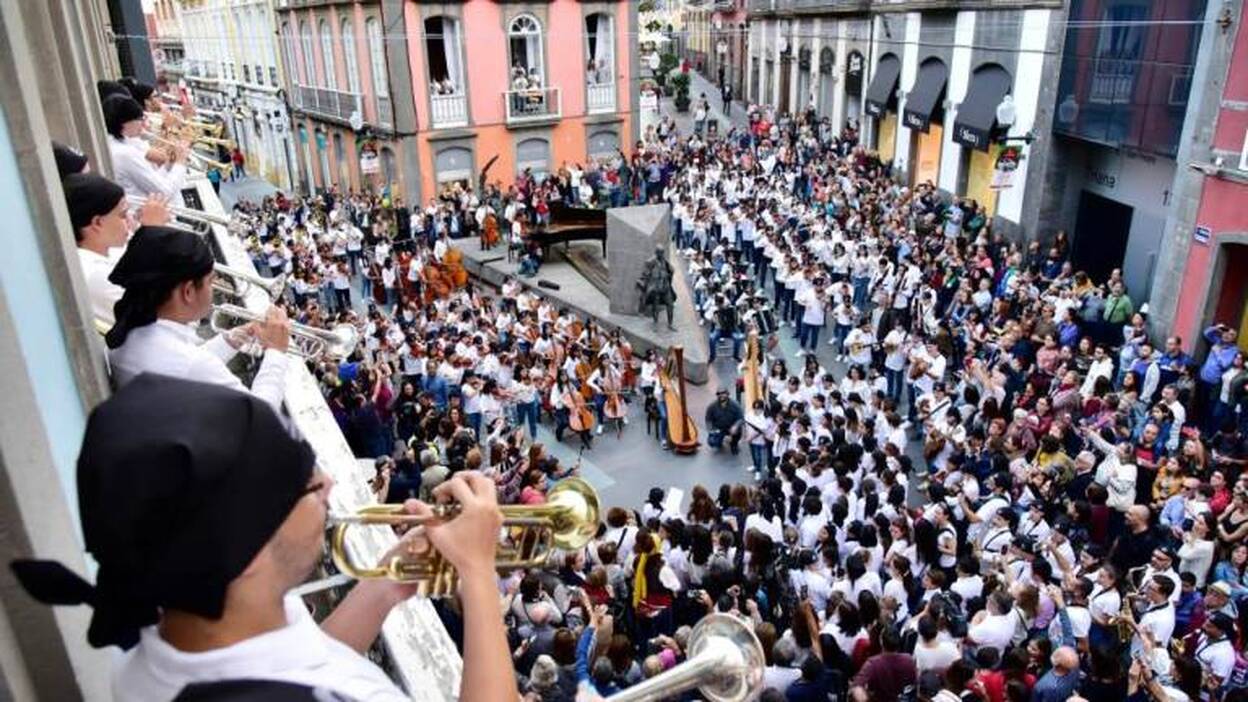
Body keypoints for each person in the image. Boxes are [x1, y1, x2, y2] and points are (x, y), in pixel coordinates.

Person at [11, 376, 512, 701]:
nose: (328, 483)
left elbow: (305, 659)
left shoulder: (175, 637)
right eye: (305, 484)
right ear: (244, 549)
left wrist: (385, 586)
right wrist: (477, 573)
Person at [104, 226, 291, 415]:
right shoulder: (190, 363)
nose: (215, 288)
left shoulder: (133, 331)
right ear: (188, 292)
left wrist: (229, 341)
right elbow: (262, 416)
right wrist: (276, 351)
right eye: (210, 282)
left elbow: (182, 368)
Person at [63, 172, 169, 325]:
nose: (130, 220)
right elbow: (167, 314)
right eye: (123, 215)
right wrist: (154, 234)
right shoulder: (95, 274)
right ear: (97, 223)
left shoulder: (110, 250)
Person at [102, 93, 187, 202]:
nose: (142, 124)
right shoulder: (125, 154)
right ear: (125, 123)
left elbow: (155, 181)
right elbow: (164, 193)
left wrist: (169, 164)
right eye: (139, 118)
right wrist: (180, 162)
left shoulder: (122, 146)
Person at [638, 245, 676, 331]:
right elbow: (645, 273)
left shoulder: (664, 261)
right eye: (660, 252)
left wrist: (670, 272)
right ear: (657, 253)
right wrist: (644, 282)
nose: (662, 254)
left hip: (665, 287)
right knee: (655, 306)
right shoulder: (651, 262)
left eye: (663, 252)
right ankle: (655, 323)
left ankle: (670, 324)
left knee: (670, 305)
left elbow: (671, 270)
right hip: (656, 288)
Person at [704, 388, 743, 454]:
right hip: (719, 428)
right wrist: (711, 430)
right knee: (712, 442)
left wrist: (736, 426)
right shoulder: (712, 406)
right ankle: (719, 441)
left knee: (737, 431)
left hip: (731, 427)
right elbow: (708, 419)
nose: (721, 395)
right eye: (719, 394)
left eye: (723, 393)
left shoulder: (735, 405)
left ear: (727, 394)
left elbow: (740, 418)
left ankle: (734, 444)